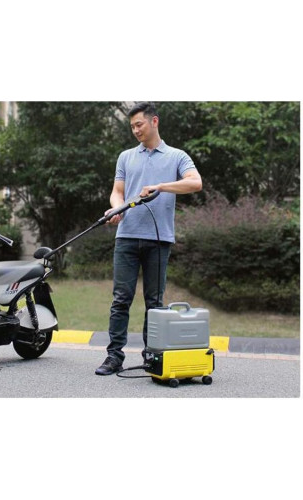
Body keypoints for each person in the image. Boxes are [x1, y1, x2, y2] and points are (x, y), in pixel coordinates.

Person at [95, 102, 202, 375]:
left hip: (159, 240)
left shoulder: (177, 156)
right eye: (132, 126)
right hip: (127, 237)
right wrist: (117, 208)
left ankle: (151, 357)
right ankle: (114, 357)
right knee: (121, 299)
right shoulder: (126, 157)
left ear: (154, 121)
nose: (135, 130)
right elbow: (117, 191)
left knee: (155, 302)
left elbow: (195, 182)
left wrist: (161, 186)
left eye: (139, 124)